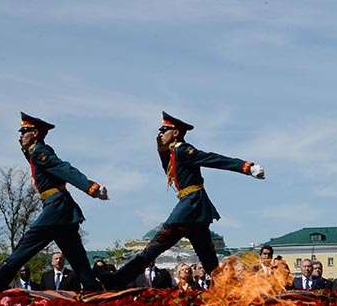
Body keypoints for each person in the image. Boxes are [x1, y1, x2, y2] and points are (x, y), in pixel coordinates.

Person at [107, 112, 265, 288]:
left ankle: (115, 282)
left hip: (190, 205)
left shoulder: (183, 150)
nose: (160, 133)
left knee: (153, 248)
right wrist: (160, 149)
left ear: (175, 133)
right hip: (194, 209)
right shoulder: (174, 152)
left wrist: (246, 167)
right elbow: (168, 166)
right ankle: (224, 290)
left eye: (164, 130)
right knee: (209, 260)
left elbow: (212, 159)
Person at [0, 113, 108, 292]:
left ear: (34, 133)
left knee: (24, 247)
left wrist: (91, 188)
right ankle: (93, 289)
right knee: (77, 258)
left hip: (56, 208)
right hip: (60, 209)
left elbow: (63, 168)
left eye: (24, 131)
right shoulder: (34, 151)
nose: (20, 136)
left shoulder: (40, 151)